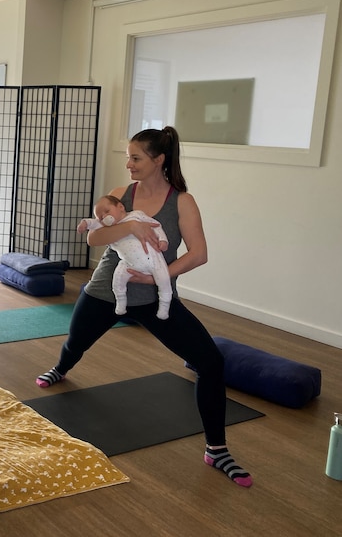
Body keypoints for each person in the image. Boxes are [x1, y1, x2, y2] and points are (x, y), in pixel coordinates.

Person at [36, 126, 253, 488]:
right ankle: (61, 367)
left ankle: (216, 449)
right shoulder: (123, 195)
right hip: (106, 290)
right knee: (76, 342)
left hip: (155, 299)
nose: (129, 164)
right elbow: (94, 237)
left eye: (136, 158)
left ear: (159, 160)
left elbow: (199, 254)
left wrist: (160, 276)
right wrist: (132, 228)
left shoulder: (182, 201)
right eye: (128, 156)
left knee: (211, 363)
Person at [78, 195, 171, 319]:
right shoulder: (107, 227)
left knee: (164, 281)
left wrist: (163, 240)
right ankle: (121, 301)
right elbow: (93, 224)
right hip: (128, 263)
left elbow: (155, 225)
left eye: (107, 211)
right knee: (118, 278)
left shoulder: (136, 215)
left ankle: (164, 307)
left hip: (153, 259)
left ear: (120, 207)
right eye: (101, 217)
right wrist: (84, 223)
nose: (105, 217)